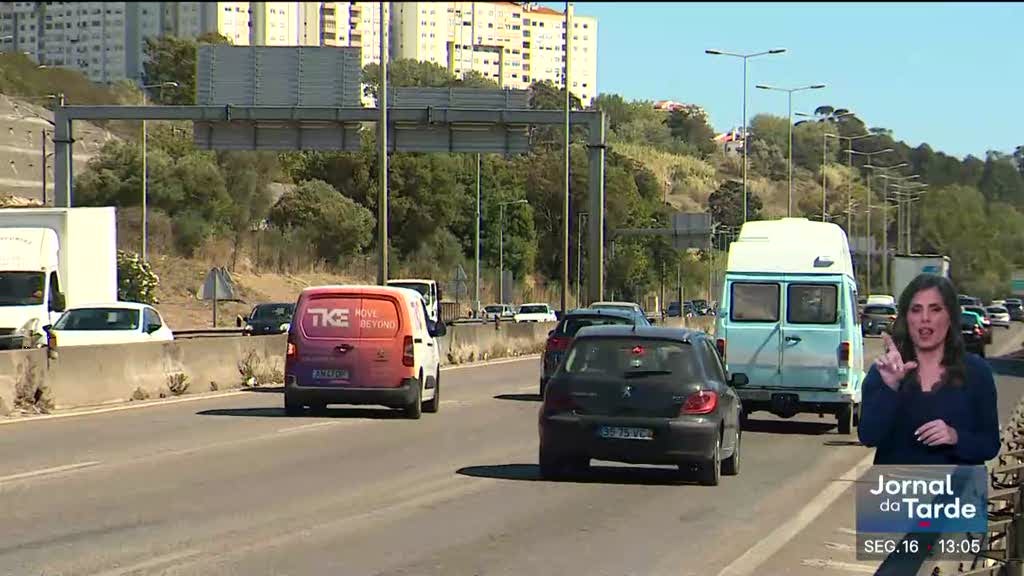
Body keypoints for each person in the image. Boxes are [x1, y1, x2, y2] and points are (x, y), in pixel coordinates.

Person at [858, 273, 1000, 575]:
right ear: (905, 317)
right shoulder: (885, 372)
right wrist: (890, 389)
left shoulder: (977, 374)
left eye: (935, 309)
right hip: (896, 509)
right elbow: (868, 434)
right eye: (916, 309)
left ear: (950, 316)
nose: (925, 320)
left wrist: (955, 436)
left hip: (955, 513)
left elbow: (989, 444)